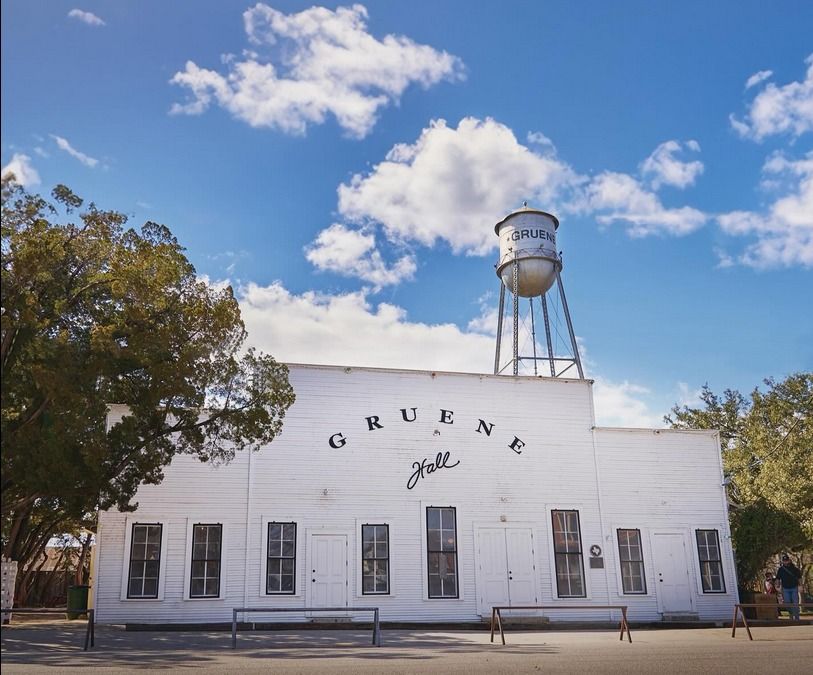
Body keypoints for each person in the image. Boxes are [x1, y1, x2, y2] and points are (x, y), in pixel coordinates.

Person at [775, 554, 802, 620]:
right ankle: (791, 613)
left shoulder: (794, 569)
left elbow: (799, 578)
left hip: (794, 587)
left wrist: (801, 586)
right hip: (785, 588)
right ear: (783, 561)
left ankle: (796, 617)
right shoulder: (781, 569)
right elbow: (778, 578)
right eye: (784, 561)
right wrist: (777, 585)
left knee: (795, 603)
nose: (786, 562)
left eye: (787, 560)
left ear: (789, 560)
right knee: (787, 603)